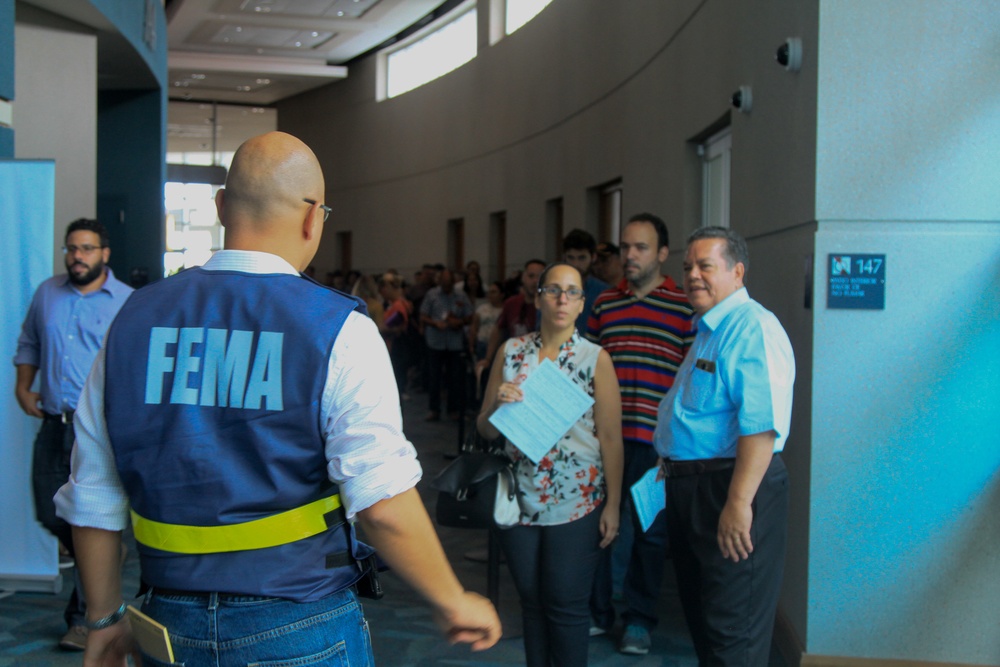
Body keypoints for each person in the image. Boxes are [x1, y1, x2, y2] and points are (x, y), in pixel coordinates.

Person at [54, 131, 501, 666]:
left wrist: (102, 618)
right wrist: (452, 599)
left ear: (220, 207)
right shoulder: (338, 328)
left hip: (168, 623)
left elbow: (93, 494)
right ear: (314, 218)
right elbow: (381, 501)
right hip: (298, 623)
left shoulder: (130, 321)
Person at [653, 226, 794, 666]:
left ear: (737, 271)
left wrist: (738, 503)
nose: (693, 275)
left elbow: (762, 427)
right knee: (707, 626)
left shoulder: (753, 328)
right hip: (694, 490)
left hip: (732, 490)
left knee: (733, 634)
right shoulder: (709, 330)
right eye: (688, 267)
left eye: (705, 266)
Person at [477, 263, 623, 667]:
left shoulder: (596, 359)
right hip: (518, 498)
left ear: (581, 304)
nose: (562, 299)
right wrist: (496, 406)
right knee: (532, 604)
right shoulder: (511, 351)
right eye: (554, 290)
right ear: (538, 297)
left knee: (566, 605)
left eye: (572, 292)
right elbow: (485, 431)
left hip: (577, 500)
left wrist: (612, 505)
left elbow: (611, 438)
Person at [12, 218, 133, 651]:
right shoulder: (48, 293)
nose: (76, 256)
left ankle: (82, 620)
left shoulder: (126, 302)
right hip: (54, 421)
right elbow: (28, 343)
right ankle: (101, 554)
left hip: (98, 433)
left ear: (105, 253)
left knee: (89, 518)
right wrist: (23, 386)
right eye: (71, 249)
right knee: (51, 513)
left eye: (85, 248)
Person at [586, 213, 694, 655]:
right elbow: (586, 370)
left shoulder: (684, 308)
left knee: (649, 533)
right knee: (600, 528)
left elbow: (689, 383)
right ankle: (597, 613)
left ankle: (638, 620)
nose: (630, 255)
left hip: (655, 446)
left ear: (663, 255)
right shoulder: (604, 305)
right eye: (626, 246)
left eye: (641, 247)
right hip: (605, 441)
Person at [420, 268, 474, 421]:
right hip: (435, 342)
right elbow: (423, 315)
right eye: (444, 283)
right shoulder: (432, 295)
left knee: (455, 378)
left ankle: (453, 410)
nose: (446, 286)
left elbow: (470, 316)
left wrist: (459, 322)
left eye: (449, 283)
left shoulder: (461, 296)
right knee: (434, 377)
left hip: (454, 342)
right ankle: (434, 409)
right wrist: (435, 323)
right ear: (439, 282)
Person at [481, 258, 546, 372]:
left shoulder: (550, 307)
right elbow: (498, 330)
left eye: (540, 277)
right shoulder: (511, 303)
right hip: (513, 363)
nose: (535, 281)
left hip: (539, 364)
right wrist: (488, 358)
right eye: (531, 276)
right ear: (523, 278)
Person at [562, 228, 608, 331]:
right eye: (571, 257)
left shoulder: (604, 293)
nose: (576, 264)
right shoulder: (553, 291)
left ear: (593, 257)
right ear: (564, 258)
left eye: (582, 258)